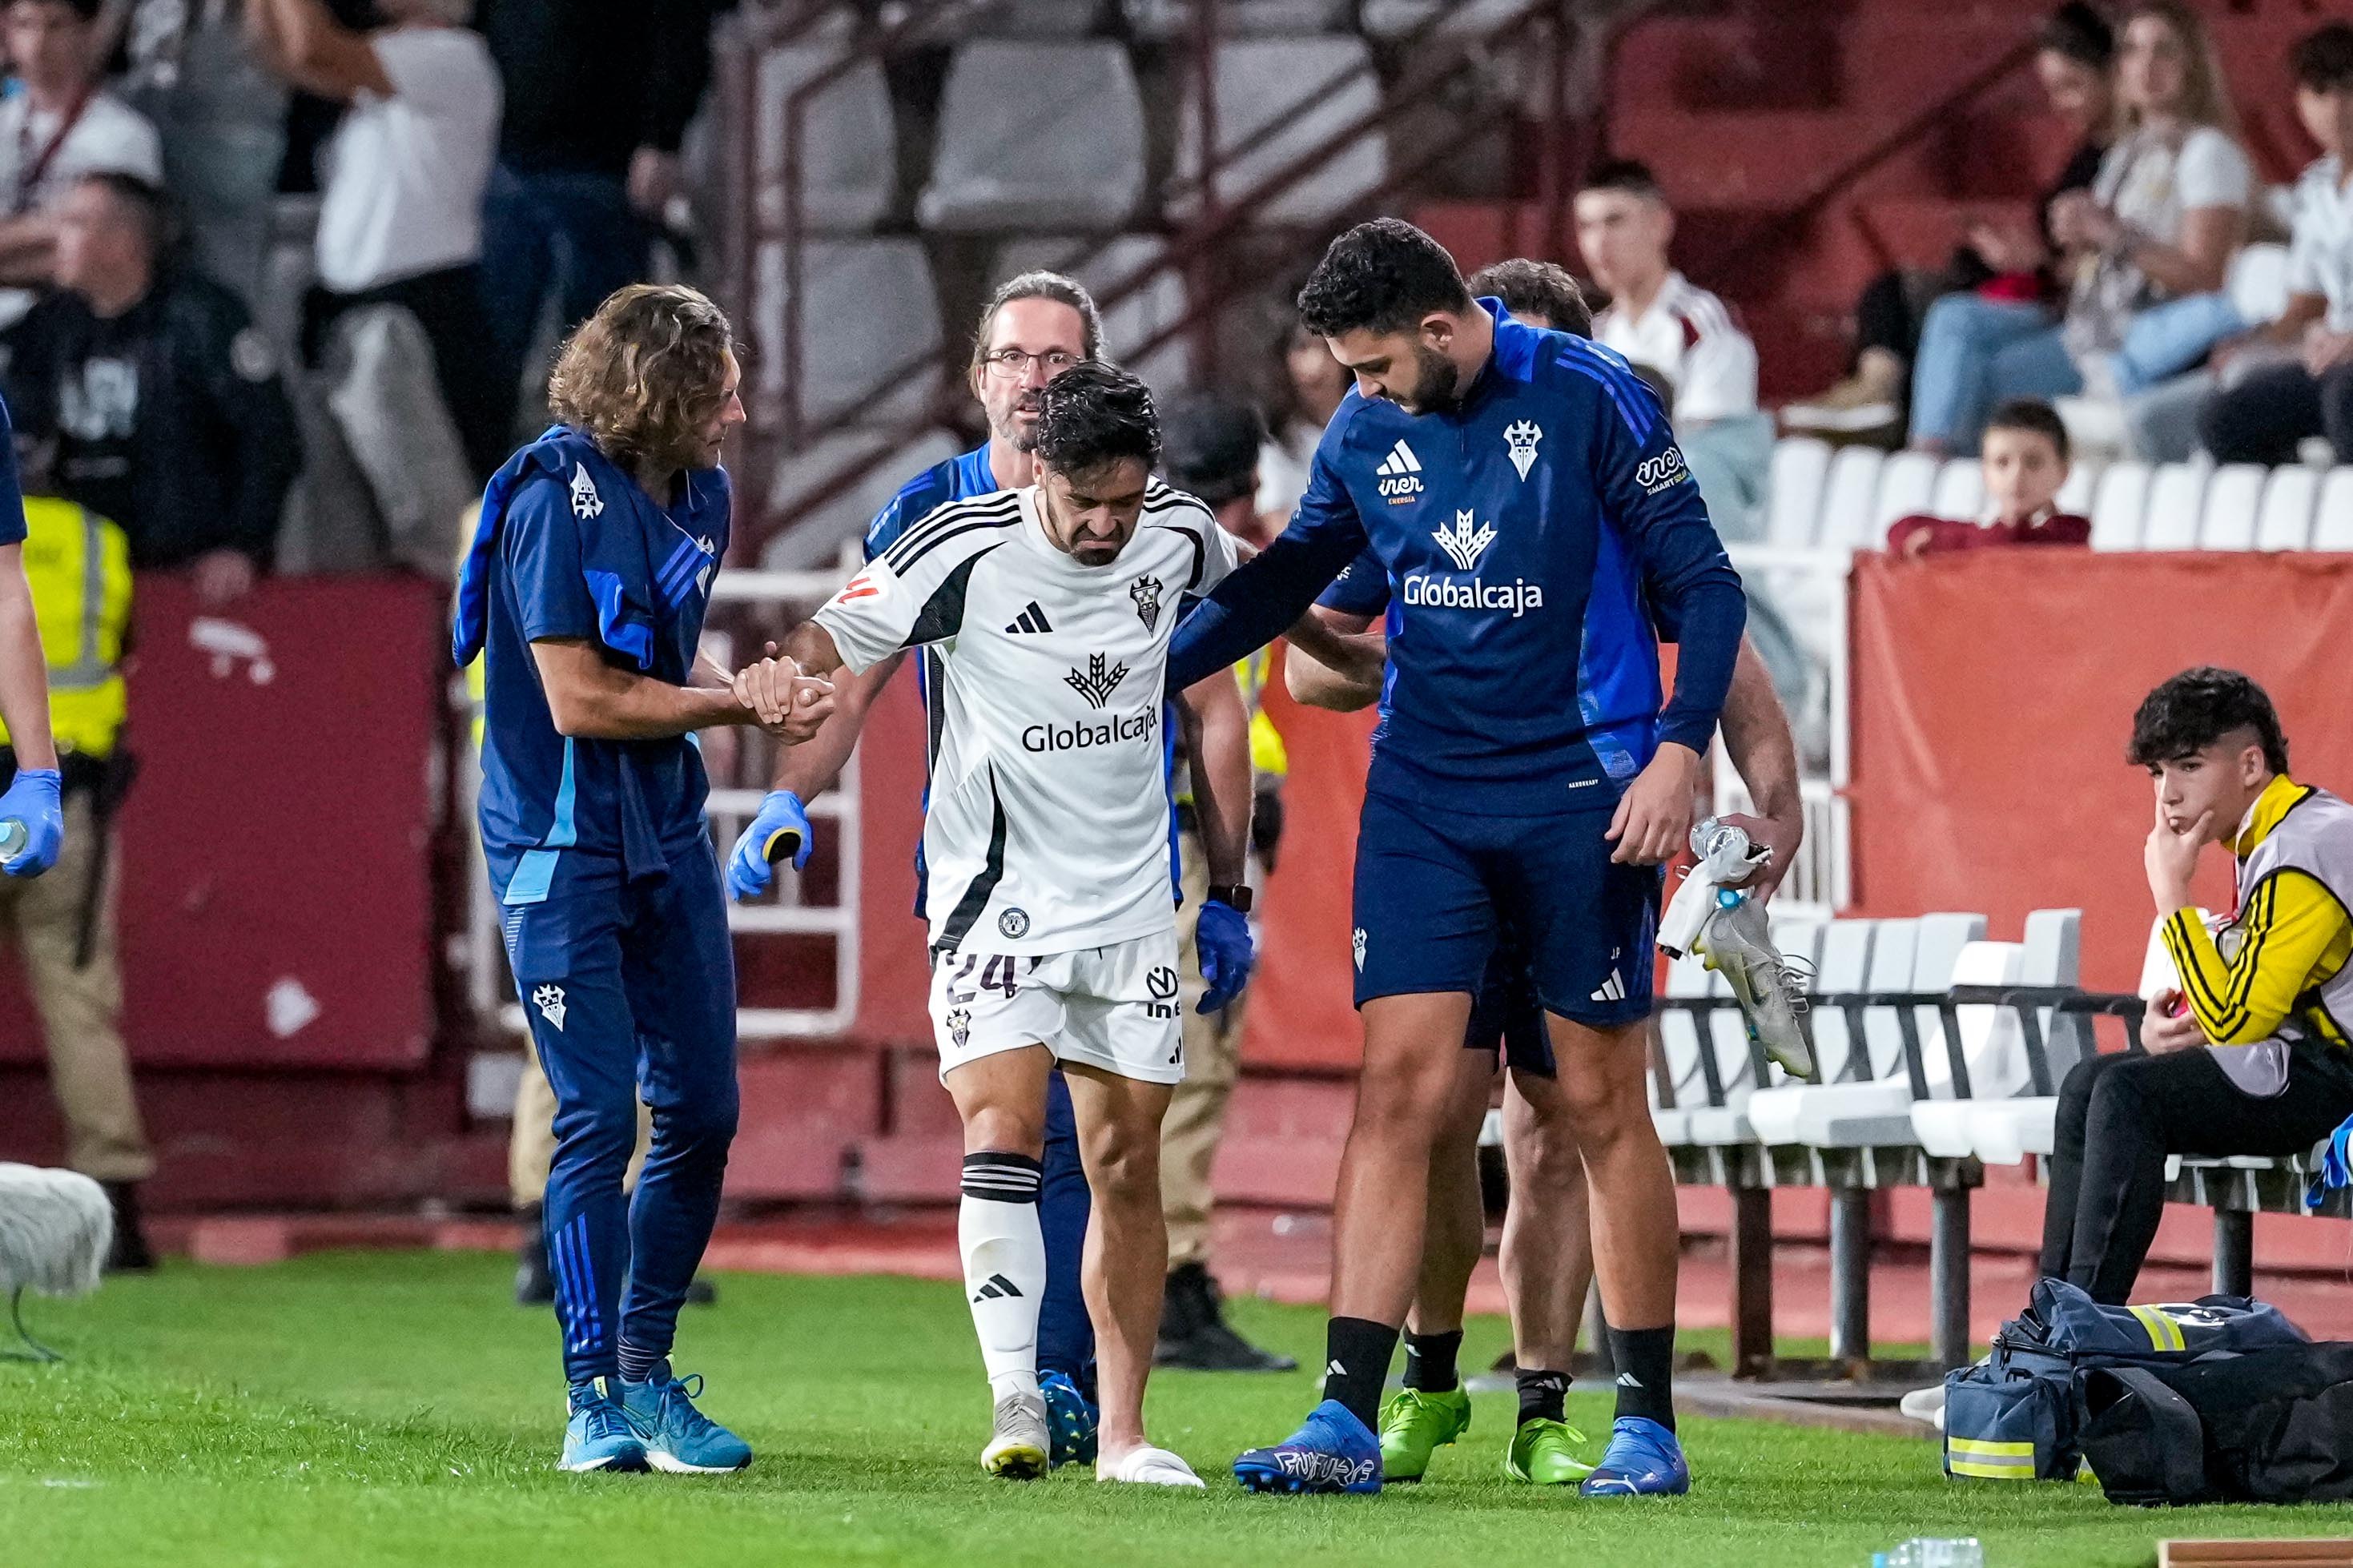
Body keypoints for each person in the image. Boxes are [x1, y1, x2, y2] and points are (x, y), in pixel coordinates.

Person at [1165, 218, 1745, 1497]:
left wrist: (1677, 751)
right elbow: (1295, 581)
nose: (1355, 396)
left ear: (1440, 329)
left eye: (1372, 368)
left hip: (1580, 795)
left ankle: (1641, 1422)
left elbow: (1706, 589)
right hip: (1422, 798)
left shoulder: (1592, 398)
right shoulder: (1370, 434)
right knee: (1400, 1099)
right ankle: (1343, 1418)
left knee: (1593, 1106)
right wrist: (1153, 667)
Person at [1285, 260, 1802, 1488]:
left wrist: (1764, 822)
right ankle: (1418, 1380)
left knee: (1563, 1126)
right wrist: (1437, 656)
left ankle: (1551, 1403)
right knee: (1433, 1113)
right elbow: (1321, 669)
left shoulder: (1603, 470)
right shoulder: (1421, 442)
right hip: (1455, 811)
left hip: (1579, 813)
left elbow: (1734, 679)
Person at [751, 363, 1254, 1488]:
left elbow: (1268, 605)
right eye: (1085, 503)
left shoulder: (1177, 532)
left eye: (1123, 502)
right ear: (1037, 469)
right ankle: (1017, 1392)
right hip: (995, 902)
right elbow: (836, 639)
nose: (1105, 526)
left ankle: (1123, 1433)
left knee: (1129, 1162)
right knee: (1005, 1136)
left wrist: (1228, 892)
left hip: (1131, 909)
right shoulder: (956, 545)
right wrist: (773, 690)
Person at [450, 283, 833, 1474]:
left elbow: (664, 648)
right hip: (557, 841)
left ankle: (649, 1368)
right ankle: (591, 1400)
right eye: (719, 382)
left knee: (706, 1109)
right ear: (658, 392)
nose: (738, 404)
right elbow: (579, 696)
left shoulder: (701, 493)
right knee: (596, 1113)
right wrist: (737, 698)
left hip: (665, 833)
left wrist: (741, 682)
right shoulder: (547, 498)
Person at [1911, 2, 2251, 456]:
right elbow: (2098, 269)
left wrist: (2109, 234)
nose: (2146, 66)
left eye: (2164, 52)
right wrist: (2043, 262)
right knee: (1953, 319)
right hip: (2085, 321)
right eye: (2132, 51)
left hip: (2130, 339)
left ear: (2192, 63)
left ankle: (1936, 482)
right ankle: (1926, 463)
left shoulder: (2207, 152)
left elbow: (2206, 277)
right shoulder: (2126, 151)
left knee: (1985, 378)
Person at [1149, 388, 1296, 1375]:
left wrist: (1265, 776)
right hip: (1179, 853)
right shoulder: (1217, 569)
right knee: (1187, 1071)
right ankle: (1175, 1285)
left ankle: (1157, 1279)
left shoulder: (1140, 550)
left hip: (1160, 844)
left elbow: (1239, 715)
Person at [1787, 2, 2116, 440]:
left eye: (2072, 86)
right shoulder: (2088, 153)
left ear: (2112, 76)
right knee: (1894, 292)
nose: (2060, 104)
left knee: (1946, 317)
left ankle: (1917, 439)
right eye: (2052, 90)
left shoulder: (2128, 164)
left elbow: (2100, 274)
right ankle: (1874, 392)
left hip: (2063, 303)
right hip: (2033, 283)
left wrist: (2035, 264)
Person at [246, 0, 507, 509]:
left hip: (414, 314)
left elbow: (310, 47)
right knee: (356, 519)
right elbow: (282, 57)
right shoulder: (385, 74)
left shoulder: (451, 54)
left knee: (435, 511)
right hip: (353, 310)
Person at [3, 173, 297, 603]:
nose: (53, 239)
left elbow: (268, 436)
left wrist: (241, 545)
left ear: (124, 241)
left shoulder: (203, 320)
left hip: (186, 570)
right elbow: (17, 432)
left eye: (75, 224)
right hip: (79, 564)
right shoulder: (48, 327)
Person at [476, 0, 716, 443]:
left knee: (605, 353)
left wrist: (663, 138)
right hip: (509, 159)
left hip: (605, 166)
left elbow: (683, 26)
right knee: (495, 350)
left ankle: (596, 485)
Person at [1579, 160, 1772, 543]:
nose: (1599, 243)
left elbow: (1708, 464)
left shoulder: (1705, 325)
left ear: (1660, 225)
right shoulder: (1592, 338)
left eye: (1615, 221)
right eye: (1586, 226)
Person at [2197, 24, 2353, 466]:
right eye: (2322, 93)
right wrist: (2255, 342)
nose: (2338, 108)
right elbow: (2308, 301)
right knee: (2229, 417)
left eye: (2349, 91)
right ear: (2301, 104)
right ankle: (2292, 525)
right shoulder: (2315, 188)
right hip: (2335, 358)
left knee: (2345, 401)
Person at [0, 0, 162, 334]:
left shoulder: (125, 134)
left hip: (75, 326)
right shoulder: (5, 122)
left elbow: (100, 249)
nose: (39, 44)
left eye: (56, 26)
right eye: (25, 25)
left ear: (88, 32)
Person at [1886, 398, 2090, 557]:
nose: (2016, 476)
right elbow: (1902, 528)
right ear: (1985, 472)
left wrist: (1939, 542)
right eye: (2002, 463)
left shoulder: (2070, 535)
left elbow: (2009, 542)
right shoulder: (1982, 533)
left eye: (2034, 463)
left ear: (2063, 473)